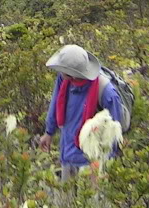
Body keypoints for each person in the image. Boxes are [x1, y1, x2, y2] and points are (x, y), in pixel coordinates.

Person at [38, 44, 125, 178]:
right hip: (67, 155)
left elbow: (114, 132)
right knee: (67, 196)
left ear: (72, 74)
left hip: (92, 161)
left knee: (89, 198)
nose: (60, 73)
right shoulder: (64, 80)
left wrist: (105, 166)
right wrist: (48, 132)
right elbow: (56, 103)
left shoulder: (107, 92)